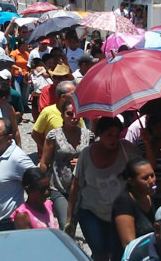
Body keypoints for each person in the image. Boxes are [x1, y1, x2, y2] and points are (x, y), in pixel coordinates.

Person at [68, 117, 142, 261]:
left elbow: (146, 170)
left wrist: (146, 142)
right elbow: (75, 186)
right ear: (99, 134)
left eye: (117, 135)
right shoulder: (86, 154)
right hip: (91, 212)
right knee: (100, 253)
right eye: (109, 135)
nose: (114, 139)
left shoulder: (128, 150)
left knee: (118, 254)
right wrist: (70, 218)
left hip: (120, 214)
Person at [39, 98, 93, 228]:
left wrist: (82, 162)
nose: (74, 117)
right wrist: (42, 186)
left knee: (84, 224)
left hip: (83, 188)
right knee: (66, 224)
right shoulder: (54, 135)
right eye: (69, 114)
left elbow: (94, 160)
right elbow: (44, 162)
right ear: (62, 115)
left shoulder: (88, 135)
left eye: (76, 113)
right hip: (59, 187)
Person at [113, 159, 157, 259]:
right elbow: (129, 245)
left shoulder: (149, 196)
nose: (151, 181)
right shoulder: (124, 202)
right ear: (131, 181)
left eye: (152, 175)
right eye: (145, 178)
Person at [32, 81, 76, 153]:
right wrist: (46, 151)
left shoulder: (76, 111)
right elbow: (35, 134)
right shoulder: (47, 112)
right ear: (63, 97)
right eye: (73, 94)